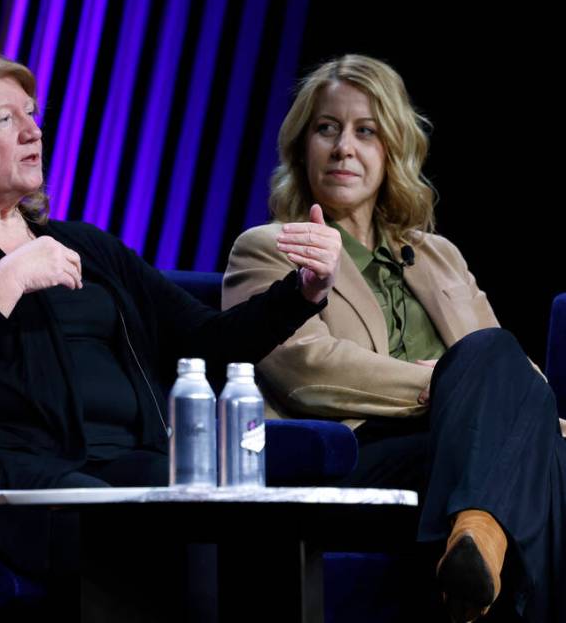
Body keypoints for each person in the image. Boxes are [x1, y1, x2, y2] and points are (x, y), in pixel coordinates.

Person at [0, 48, 339, 591]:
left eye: (33, 114)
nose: (34, 132)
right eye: (6, 119)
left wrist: (302, 293)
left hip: (127, 460)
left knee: (243, 519)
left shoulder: (85, 245)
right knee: (120, 520)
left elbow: (204, 342)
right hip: (6, 469)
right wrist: (6, 280)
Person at [222, 54, 565, 622]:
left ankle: (476, 547)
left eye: (366, 131)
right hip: (360, 453)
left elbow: (510, 370)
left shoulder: (439, 255)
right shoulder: (274, 246)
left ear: (392, 151)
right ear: (301, 147)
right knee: (499, 394)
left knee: (506, 375)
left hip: (454, 449)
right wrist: (454, 384)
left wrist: (541, 420)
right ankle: (479, 538)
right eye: (326, 129)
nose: (343, 148)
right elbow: (309, 372)